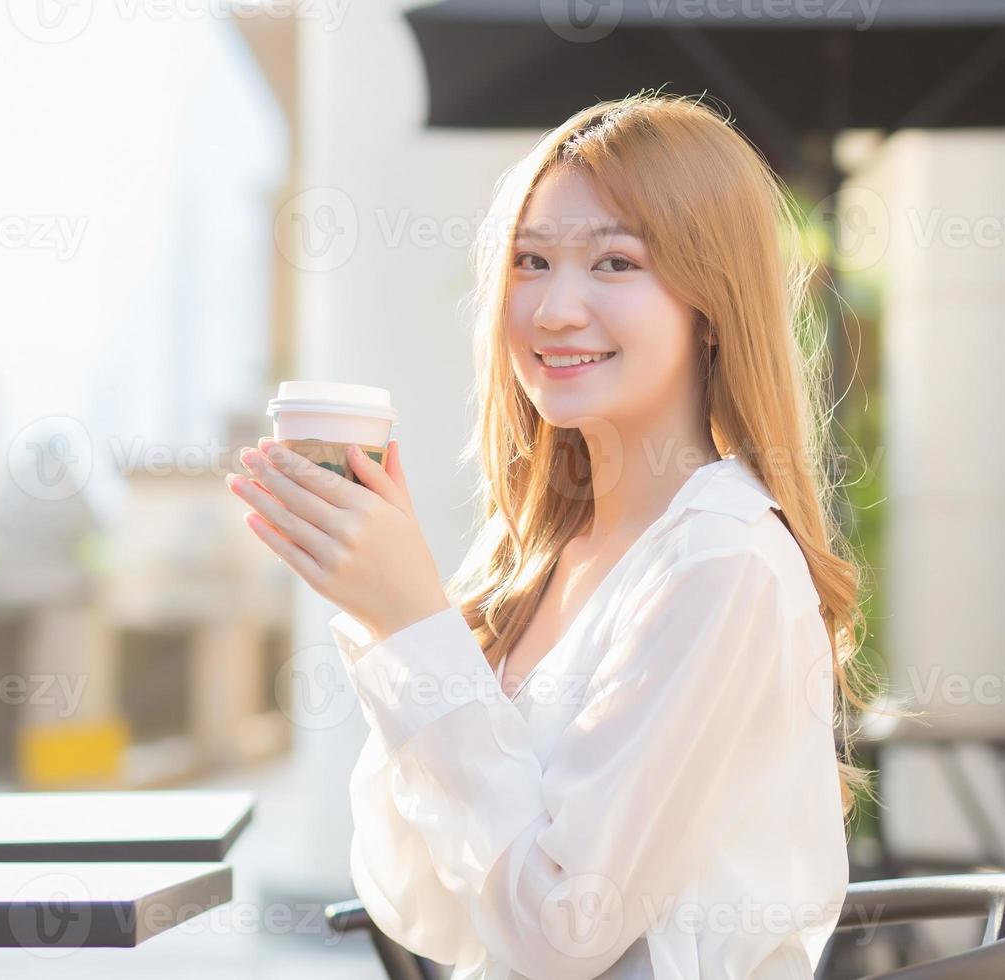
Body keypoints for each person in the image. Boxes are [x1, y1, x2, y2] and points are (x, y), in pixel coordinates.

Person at [225, 91, 880, 979]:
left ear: (711, 302)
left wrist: (416, 627)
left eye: (615, 263)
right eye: (531, 261)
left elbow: (569, 932)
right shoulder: (540, 558)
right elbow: (419, 903)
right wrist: (397, 625)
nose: (555, 308)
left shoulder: (722, 562)